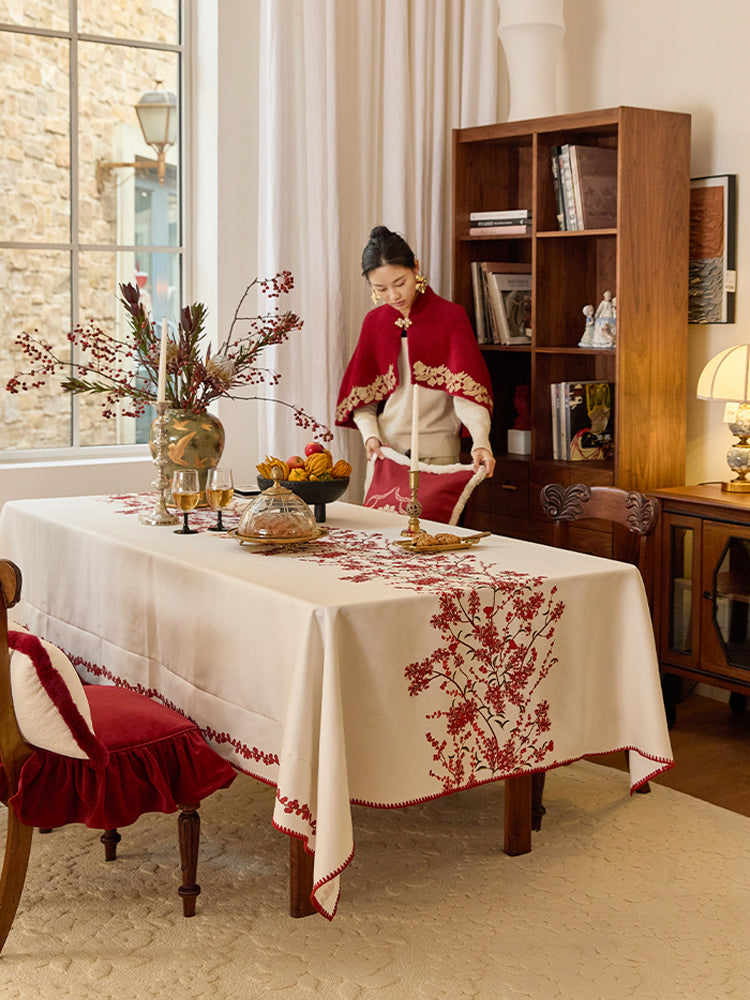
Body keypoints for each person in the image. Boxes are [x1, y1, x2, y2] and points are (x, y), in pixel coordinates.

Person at [335, 226, 495, 479]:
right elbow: (364, 398)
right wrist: (370, 437)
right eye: (381, 288)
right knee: (380, 521)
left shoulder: (450, 317)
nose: (393, 295)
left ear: (416, 268)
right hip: (386, 455)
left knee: (434, 520)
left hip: (440, 457)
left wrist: (480, 441)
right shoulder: (374, 323)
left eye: (400, 283)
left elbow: (467, 394)